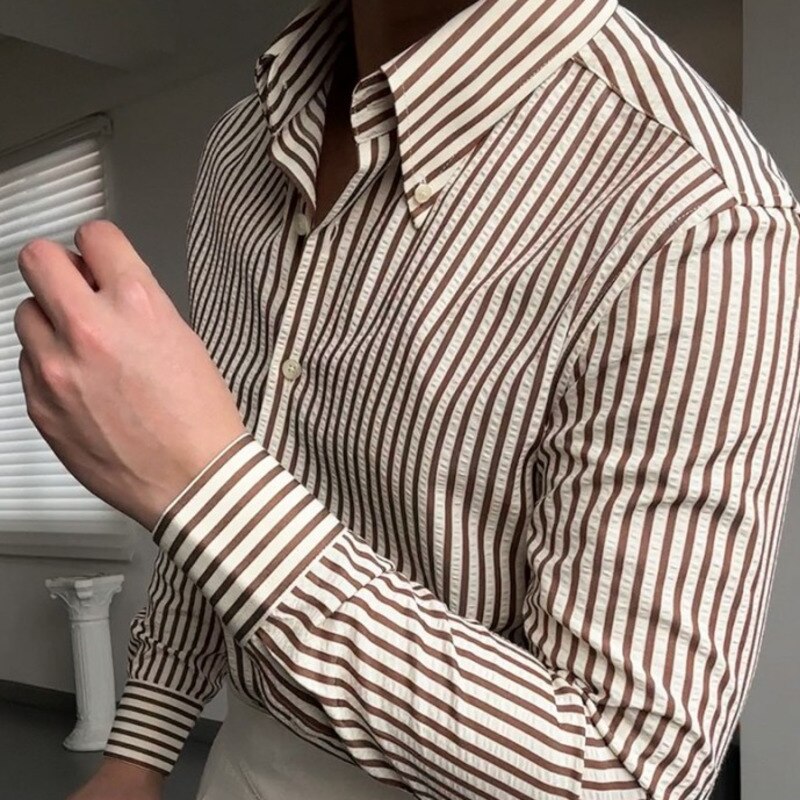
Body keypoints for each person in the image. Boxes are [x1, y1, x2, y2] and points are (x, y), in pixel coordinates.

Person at [14, 0, 799, 798]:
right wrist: (141, 745)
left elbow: (623, 776)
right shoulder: (242, 146)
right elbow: (224, 470)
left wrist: (205, 485)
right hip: (240, 758)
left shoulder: (703, 216)